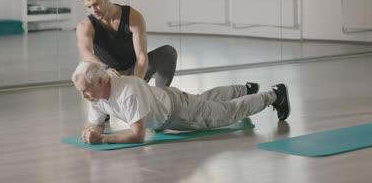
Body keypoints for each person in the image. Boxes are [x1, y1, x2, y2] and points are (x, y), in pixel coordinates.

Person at [72, 61, 291, 144]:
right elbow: (97, 122)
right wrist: (92, 131)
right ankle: (245, 89)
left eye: (85, 90)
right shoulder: (95, 93)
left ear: (101, 80)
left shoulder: (127, 90)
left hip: (177, 113)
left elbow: (137, 136)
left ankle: (274, 95)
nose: (84, 96)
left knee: (228, 112)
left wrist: (102, 139)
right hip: (167, 97)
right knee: (206, 99)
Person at [76, 0, 177, 87]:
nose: (93, 10)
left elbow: (141, 56)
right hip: (108, 74)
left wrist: (135, 84)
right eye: (88, 7)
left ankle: (161, 93)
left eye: (96, 4)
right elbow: (85, 54)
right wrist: (105, 69)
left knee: (168, 52)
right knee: (87, 69)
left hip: (134, 70)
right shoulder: (85, 25)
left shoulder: (133, 17)